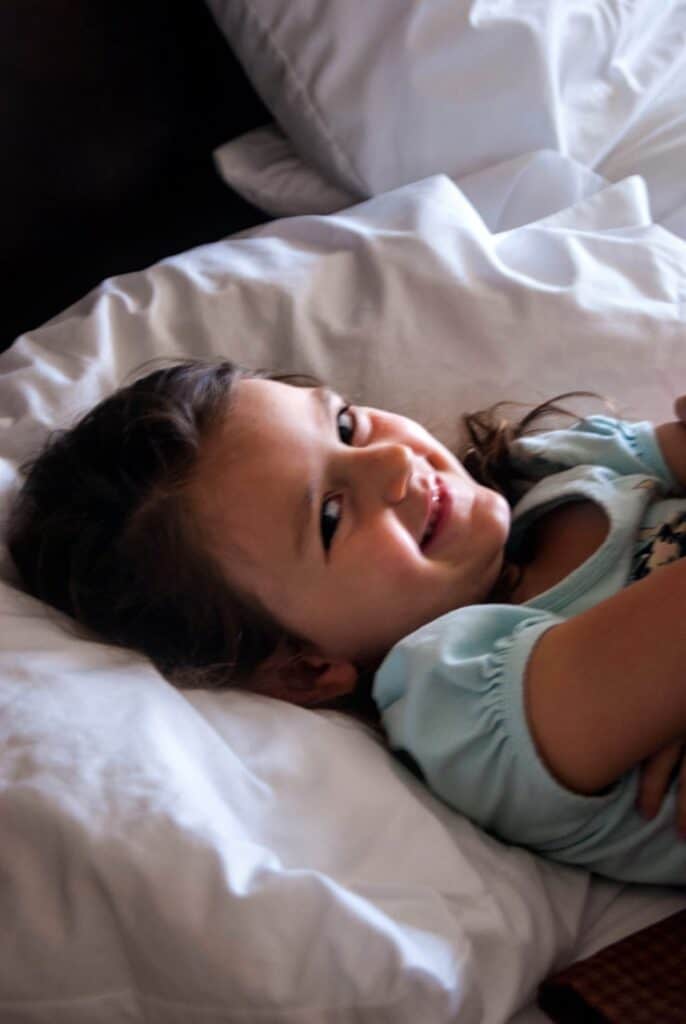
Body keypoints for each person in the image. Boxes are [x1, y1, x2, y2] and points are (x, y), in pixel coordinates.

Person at [7, 359, 686, 885]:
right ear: (307, 668)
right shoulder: (458, 698)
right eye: (330, 517)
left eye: (345, 427)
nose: (393, 462)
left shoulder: (558, 472)